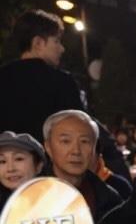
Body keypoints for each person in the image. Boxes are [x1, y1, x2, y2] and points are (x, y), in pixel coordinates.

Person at [0, 10, 85, 143]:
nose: (62, 48)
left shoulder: (3, 77)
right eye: (57, 41)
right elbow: (82, 127)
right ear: (38, 43)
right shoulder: (62, 82)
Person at [42, 110, 123, 220]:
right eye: (66, 141)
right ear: (48, 147)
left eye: (84, 141)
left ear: (94, 148)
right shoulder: (28, 196)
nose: (76, 151)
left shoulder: (110, 200)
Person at [0, 131, 45, 208]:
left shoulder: (58, 201)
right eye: (2, 161)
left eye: (19, 159)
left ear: (38, 166)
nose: (10, 169)